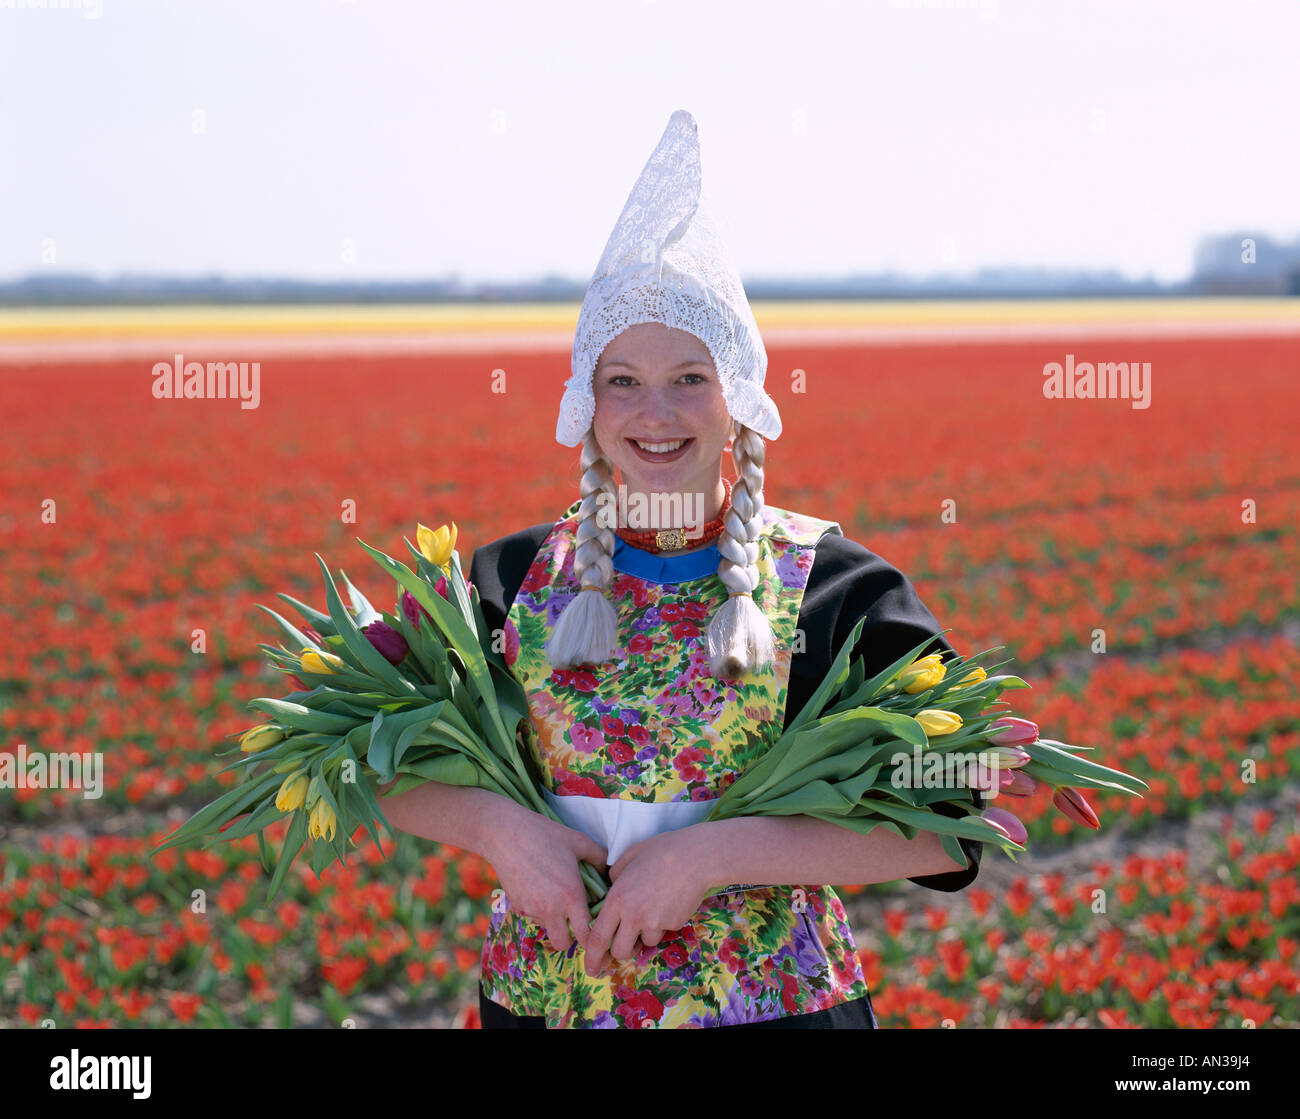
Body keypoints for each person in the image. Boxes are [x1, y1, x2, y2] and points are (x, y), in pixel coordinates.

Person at [379, 110, 985, 1029]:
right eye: (621, 378)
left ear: (740, 398)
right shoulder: (502, 584)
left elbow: (948, 818)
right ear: (585, 402)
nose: (653, 412)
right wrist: (503, 833)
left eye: (690, 378)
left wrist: (711, 856)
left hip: (772, 1013)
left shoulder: (835, 588)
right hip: (545, 1006)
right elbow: (374, 759)